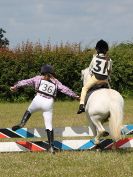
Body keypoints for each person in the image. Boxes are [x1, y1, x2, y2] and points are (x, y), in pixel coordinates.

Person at [10, 64, 79, 153]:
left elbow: (25, 82)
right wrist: (75, 96)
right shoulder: (56, 81)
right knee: (49, 125)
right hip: (48, 103)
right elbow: (65, 89)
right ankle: (51, 146)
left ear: (42, 71)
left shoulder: (38, 78)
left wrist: (15, 87)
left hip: (37, 100)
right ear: (52, 72)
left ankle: (22, 123)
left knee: (29, 110)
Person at [77, 39, 112, 114]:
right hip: (105, 80)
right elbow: (109, 71)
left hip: (95, 78)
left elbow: (90, 69)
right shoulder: (109, 60)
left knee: (84, 89)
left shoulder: (95, 58)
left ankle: (81, 105)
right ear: (106, 50)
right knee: (111, 92)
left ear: (97, 50)